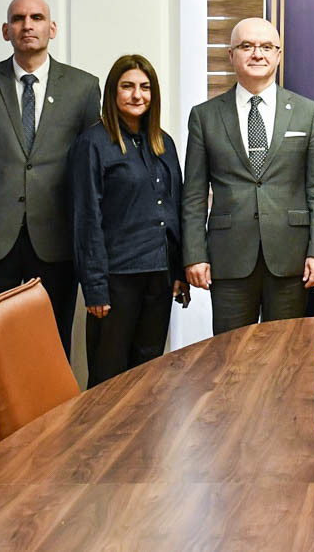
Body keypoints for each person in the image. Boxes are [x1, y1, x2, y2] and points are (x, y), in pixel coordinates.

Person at [0, 0, 101, 356]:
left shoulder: (83, 87)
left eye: (37, 17)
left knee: (51, 348)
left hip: (56, 238)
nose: (27, 25)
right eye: (18, 19)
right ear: (6, 30)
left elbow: (91, 173)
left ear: (52, 28)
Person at [183, 18, 314, 334]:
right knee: (231, 353)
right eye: (247, 46)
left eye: (266, 46)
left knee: (285, 351)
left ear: (278, 55)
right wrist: (194, 254)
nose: (257, 54)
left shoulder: (306, 112)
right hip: (229, 257)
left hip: (291, 257)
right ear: (231, 54)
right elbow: (193, 194)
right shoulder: (205, 116)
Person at [69, 55, 186, 387]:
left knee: (148, 376)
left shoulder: (163, 143)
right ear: (113, 92)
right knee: (109, 378)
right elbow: (86, 219)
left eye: (145, 87)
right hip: (117, 279)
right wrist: (94, 287)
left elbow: (175, 209)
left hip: (159, 276)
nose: (137, 95)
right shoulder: (93, 143)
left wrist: (179, 269)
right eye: (128, 86)